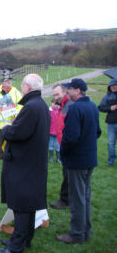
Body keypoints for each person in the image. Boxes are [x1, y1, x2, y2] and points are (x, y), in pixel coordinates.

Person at [0, 74, 50, 253]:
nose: (21, 87)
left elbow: (16, 133)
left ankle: (16, 247)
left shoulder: (31, 107)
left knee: (21, 205)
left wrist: (8, 128)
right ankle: (24, 239)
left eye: (22, 85)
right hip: (32, 162)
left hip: (24, 164)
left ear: (28, 87)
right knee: (28, 206)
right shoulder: (40, 105)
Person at [56, 78, 101, 245]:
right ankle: (85, 231)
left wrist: (64, 152)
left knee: (77, 199)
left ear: (78, 91)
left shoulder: (75, 109)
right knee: (85, 196)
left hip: (77, 161)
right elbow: (97, 132)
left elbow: (71, 137)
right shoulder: (92, 106)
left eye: (69, 89)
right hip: (89, 160)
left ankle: (76, 234)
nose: (67, 91)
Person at [49, 84, 73, 210]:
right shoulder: (63, 105)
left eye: (57, 94)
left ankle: (66, 201)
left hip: (69, 146)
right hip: (63, 144)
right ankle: (67, 199)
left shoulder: (70, 106)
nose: (55, 97)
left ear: (65, 92)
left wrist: (67, 146)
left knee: (69, 175)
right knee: (67, 174)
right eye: (54, 95)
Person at [0, 73, 22, 159]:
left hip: (11, 122)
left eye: (10, 80)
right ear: (2, 82)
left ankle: (9, 154)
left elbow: (21, 105)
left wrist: (16, 114)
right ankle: (0, 155)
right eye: (7, 81)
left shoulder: (16, 92)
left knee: (10, 140)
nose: (9, 82)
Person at [98, 79, 117, 166]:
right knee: (110, 143)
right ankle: (111, 160)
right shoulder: (108, 96)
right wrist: (110, 108)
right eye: (111, 85)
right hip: (111, 123)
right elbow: (101, 107)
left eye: (115, 85)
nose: (113, 87)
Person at [49, 99, 61, 163]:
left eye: (57, 104)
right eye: (54, 103)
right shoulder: (49, 111)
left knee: (58, 146)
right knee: (50, 145)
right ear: (51, 103)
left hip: (58, 133)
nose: (55, 105)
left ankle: (58, 158)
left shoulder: (60, 111)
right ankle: (51, 157)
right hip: (50, 132)